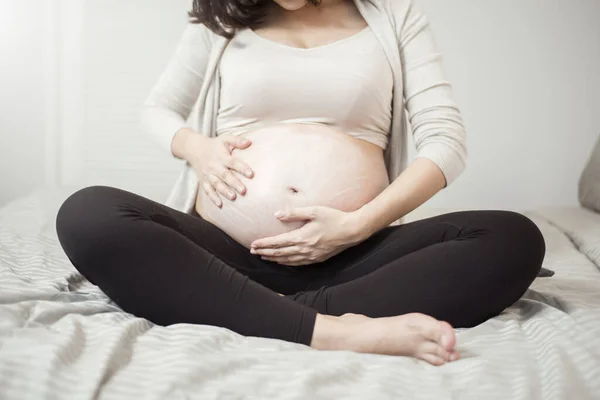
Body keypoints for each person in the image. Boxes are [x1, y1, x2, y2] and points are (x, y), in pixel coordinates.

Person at [55, 0, 546, 366]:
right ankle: (333, 330)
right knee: (88, 214)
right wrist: (199, 149)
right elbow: (157, 110)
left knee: (514, 238)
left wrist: (356, 226)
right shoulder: (221, 17)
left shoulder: (395, 15)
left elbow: (446, 141)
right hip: (226, 253)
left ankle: (254, 308)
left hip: (356, 255)